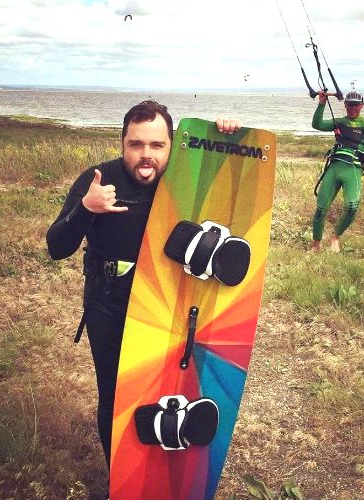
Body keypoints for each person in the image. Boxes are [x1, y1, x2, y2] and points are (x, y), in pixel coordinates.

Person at [46, 101, 241, 472]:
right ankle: (120, 481)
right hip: (108, 303)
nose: (146, 154)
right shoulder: (98, 180)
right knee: (115, 394)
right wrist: (86, 207)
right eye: (136, 144)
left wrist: (226, 137)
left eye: (157, 145)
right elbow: (56, 247)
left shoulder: (186, 181)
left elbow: (232, 182)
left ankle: (161, 472)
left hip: (170, 305)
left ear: (172, 145)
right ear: (122, 144)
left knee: (169, 390)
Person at [310, 90, 364, 252]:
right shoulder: (339, 122)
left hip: (353, 170)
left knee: (352, 206)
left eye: (356, 105)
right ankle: (316, 244)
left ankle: (335, 237)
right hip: (334, 168)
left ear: (361, 105)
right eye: (349, 104)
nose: (352, 108)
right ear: (345, 105)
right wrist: (321, 103)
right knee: (321, 209)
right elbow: (317, 124)